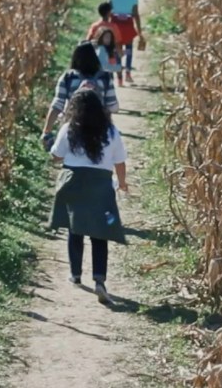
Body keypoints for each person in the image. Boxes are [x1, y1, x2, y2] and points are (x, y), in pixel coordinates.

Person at [48, 88, 129, 305]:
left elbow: (56, 156)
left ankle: (75, 274)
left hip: (74, 182)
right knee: (99, 234)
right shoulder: (111, 131)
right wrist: (122, 183)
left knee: (75, 229)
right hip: (101, 185)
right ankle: (99, 279)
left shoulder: (69, 129)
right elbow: (120, 162)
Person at [41, 42, 119, 151]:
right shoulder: (105, 77)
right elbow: (113, 107)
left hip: (72, 126)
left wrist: (46, 131)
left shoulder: (68, 77)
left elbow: (57, 105)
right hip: (99, 127)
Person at [108, 0, 141, 84]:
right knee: (129, 50)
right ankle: (128, 73)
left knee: (117, 50)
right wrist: (139, 31)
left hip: (115, 24)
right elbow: (136, 15)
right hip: (128, 24)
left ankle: (119, 78)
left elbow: (108, 12)